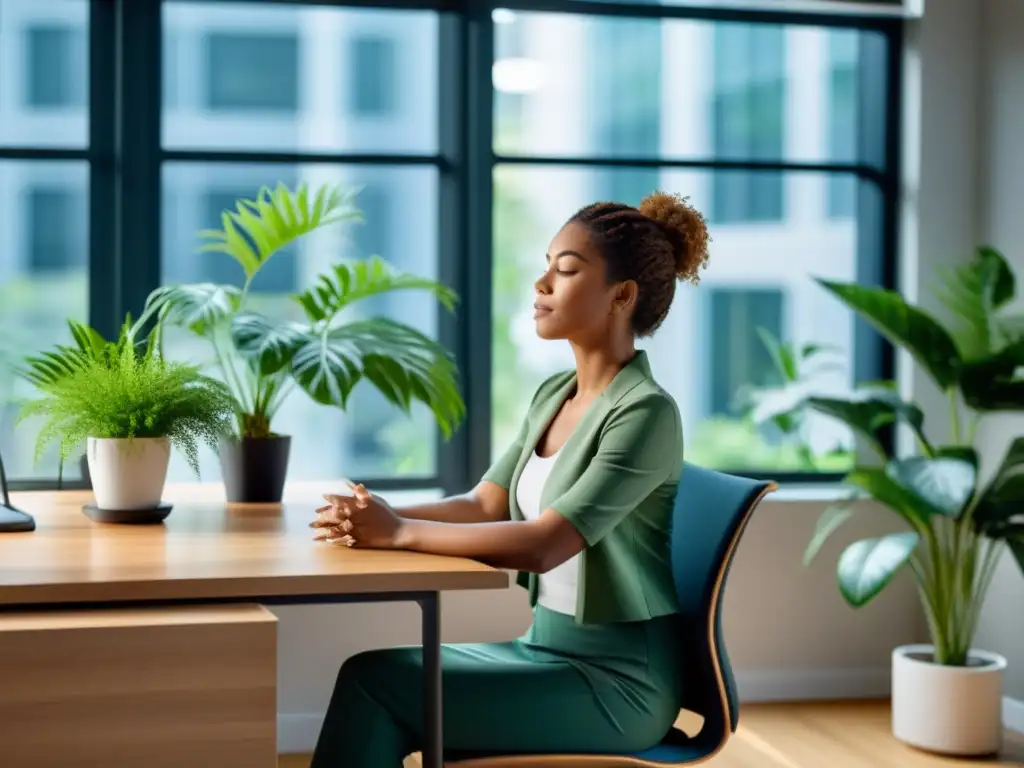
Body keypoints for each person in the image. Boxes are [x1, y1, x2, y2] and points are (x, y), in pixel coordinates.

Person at [309, 191, 711, 767]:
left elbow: (547, 544)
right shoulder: (555, 394)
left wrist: (398, 532)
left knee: (377, 684)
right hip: (544, 650)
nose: (541, 283)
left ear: (622, 295)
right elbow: (484, 504)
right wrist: (375, 513)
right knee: (375, 678)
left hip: (617, 684)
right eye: (546, 264)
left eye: (566, 269)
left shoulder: (645, 413)